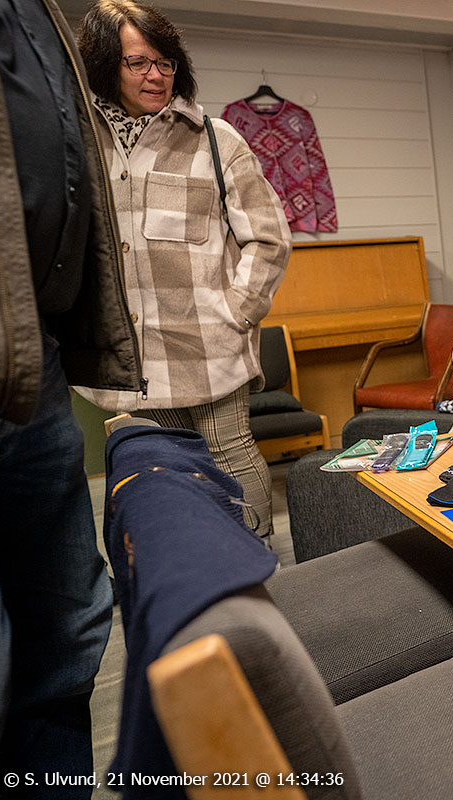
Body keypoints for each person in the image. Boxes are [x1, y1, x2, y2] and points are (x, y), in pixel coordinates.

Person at [76, 0, 292, 545]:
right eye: (138, 62)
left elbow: (269, 238)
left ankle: (256, 561)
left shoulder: (217, 139)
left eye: (165, 62)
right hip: (128, 355)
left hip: (208, 343)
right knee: (163, 469)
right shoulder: (78, 144)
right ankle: (195, 568)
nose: (156, 75)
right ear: (103, 64)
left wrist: (236, 312)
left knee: (231, 455)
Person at [0, 0, 141, 792]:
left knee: (68, 629)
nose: (148, 73)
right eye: (134, 62)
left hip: (39, 357)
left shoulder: (45, 12)